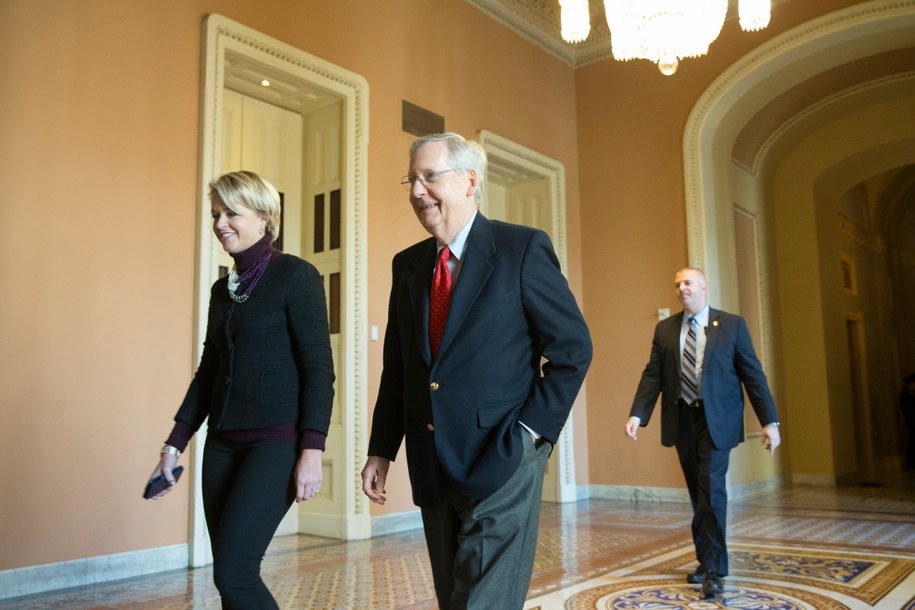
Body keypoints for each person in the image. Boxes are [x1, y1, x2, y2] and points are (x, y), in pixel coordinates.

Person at [361, 132, 592, 609]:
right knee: (454, 599)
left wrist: (530, 433)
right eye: (412, 179)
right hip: (432, 461)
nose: (416, 191)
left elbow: (573, 349)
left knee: (484, 602)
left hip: (504, 456)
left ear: (470, 180)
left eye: (429, 177)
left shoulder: (521, 248)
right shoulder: (407, 265)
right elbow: (399, 368)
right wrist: (382, 449)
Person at [145, 170, 335, 609]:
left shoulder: (297, 276)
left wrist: (312, 450)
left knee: (235, 573)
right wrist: (173, 447)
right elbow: (209, 370)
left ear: (265, 218)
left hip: (276, 443)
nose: (220, 223)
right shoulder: (223, 288)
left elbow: (319, 369)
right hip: (223, 444)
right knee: (231, 580)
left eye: (232, 212)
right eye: (216, 213)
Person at [624, 267, 780, 599]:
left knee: (711, 492)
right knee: (700, 495)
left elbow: (753, 375)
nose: (681, 288)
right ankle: (706, 559)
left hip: (717, 422)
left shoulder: (732, 325)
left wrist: (770, 422)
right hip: (681, 421)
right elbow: (653, 375)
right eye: (677, 283)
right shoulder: (666, 329)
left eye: (688, 282)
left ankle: (713, 569)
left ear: (704, 288)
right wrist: (639, 413)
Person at [901, 373, 915, 469]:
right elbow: (906, 408)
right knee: (912, 441)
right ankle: (911, 463)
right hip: (912, 421)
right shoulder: (904, 394)